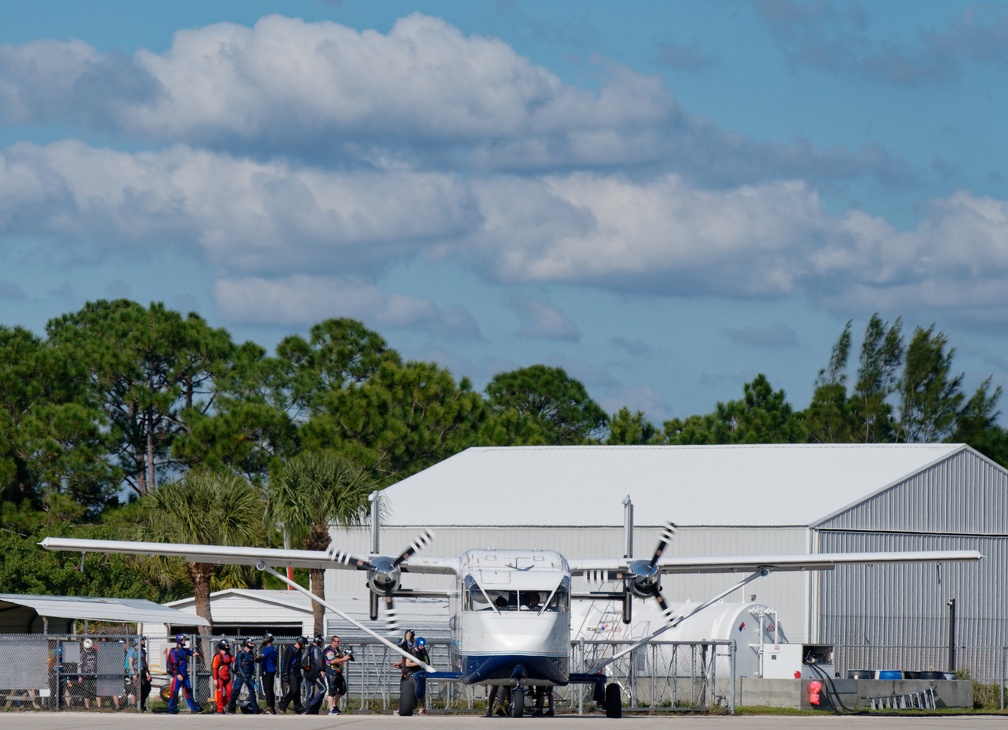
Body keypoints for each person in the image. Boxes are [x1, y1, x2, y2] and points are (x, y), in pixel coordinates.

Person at [166, 633, 202, 714]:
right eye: (183, 639)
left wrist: (194, 653)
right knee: (175, 692)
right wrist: (178, 675)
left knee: (188, 691)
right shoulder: (174, 652)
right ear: (179, 640)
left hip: (184, 675)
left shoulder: (184, 650)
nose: (184, 641)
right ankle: (172, 708)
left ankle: (194, 708)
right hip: (178, 675)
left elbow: (189, 652)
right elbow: (174, 664)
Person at [227, 637, 260, 714]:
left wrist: (253, 675)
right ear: (246, 644)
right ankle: (231, 709)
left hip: (249, 676)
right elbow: (238, 666)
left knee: (252, 692)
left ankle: (255, 710)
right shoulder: (241, 654)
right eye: (250, 643)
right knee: (236, 691)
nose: (252, 644)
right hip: (241, 676)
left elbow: (252, 666)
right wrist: (243, 676)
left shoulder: (251, 654)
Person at [324, 635, 352, 715]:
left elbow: (339, 659)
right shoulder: (329, 650)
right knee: (332, 690)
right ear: (333, 642)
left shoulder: (337, 650)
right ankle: (331, 709)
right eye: (337, 641)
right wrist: (343, 659)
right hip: (332, 672)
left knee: (343, 688)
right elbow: (332, 661)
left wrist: (347, 657)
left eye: (339, 641)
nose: (339, 643)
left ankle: (334, 705)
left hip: (338, 672)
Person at [278, 636, 306, 714]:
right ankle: (282, 704)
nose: (304, 645)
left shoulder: (299, 651)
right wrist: (286, 673)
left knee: (297, 692)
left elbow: (297, 663)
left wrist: (304, 667)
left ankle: (298, 707)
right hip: (291, 672)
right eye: (303, 643)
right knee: (294, 690)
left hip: (297, 672)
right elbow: (287, 662)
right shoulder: (291, 650)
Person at [303, 635, 327, 715]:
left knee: (310, 691)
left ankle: (309, 710)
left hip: (308, 672)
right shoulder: (316, 649)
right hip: (314, 673)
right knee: (323, 688)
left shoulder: (310, 647)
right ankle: (312, 705)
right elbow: (318, 661)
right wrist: (321, 670)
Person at [256, 633, 279, 714]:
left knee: (267, 690)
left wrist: (256, 659)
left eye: (264, 638)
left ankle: (269, 708)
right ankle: (272, 707)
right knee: (270, 689)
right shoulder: (274, 649)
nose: (263, 640)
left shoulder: (267, 649)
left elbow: (261, 658)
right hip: (272, 670)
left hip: (267, 671)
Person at [211, 640, 234, 714]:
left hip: (227, 677)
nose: (228, 647)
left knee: (230, 692)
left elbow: (235, 660)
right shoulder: (217, 656)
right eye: (226, 645)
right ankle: (220, 709)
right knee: (219, 694)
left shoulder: (229, 655)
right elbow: (214, 668)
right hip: (219, 678)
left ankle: (220, 705)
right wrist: (215, 679)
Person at [409, 637, 430, 715]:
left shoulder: (424, 652)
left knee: (421, 691)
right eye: (421, 646)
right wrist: (418, 663)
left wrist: (424, 657)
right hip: (413, 673)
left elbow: (427, 662)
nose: (423, 647)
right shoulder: (412, 651)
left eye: (423, 646)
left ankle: (422, 707)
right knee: (412, 690)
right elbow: (408, 663)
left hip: (421, 673)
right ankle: (410, 706)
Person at [78, 638, 98, 710]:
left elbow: (98, 663)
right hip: (86, 675)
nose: (88, 649)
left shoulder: (95, 652)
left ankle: (99, 707)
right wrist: (80, 676)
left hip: (94, 674)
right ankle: (87, 707)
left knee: (97, 690)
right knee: (87, 691)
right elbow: (79, 665)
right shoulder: (82, 654)